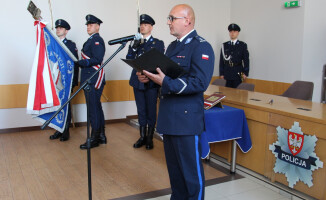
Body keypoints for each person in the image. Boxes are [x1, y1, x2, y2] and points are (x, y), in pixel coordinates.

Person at [142, 4, 214, 200]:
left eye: (172, 18)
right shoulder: (173, 46)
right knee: (176, 177)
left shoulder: (201, 46)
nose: (168, 22)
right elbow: (167, 77)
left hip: (186, 121)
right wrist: (150, 79)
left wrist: (165, 81)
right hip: (169, 119)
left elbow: (199, 83)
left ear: (187, 20)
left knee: (192, 177)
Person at [126, 14, 165, 150]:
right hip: (137, 80)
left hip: (152, 81)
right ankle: (142, 136)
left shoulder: (158, 43)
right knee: (141, 109)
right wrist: (135, 47)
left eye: (146, 24)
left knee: (150, 110)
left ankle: (149, 137)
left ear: (151, 27)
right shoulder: (135, 42)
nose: (143, 26)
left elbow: (158, 61)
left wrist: (147, 74)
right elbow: (129, 58)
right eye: (141, 24)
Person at [75, 14, 106, 149]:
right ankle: (101, 135)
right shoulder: (91, 40)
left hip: (93, 79)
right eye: (87, 25)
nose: (88, 27)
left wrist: (82, 62)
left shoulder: (97, 40)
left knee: (93, 109)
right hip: (90, 78)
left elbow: (97, 59)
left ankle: (94, 138)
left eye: (91, 25)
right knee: (96, 107)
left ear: (98, 26)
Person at [49, 19, 79, 141]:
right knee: (57, 105)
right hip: (55, 80)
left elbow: (75, 64)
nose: (58, 30)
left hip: (66, 81)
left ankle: (65, 130)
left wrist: (74, 81)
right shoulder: (53, 44)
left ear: (66, 31)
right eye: (57, 28)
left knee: (65, 104)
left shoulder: (71, 45)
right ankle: (58, 129)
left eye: (60, 28)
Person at [219, 24, 249, 88]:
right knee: (226, 93)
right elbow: (221, 61)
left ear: (238, 33)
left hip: (238, 73)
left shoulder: (242, 45)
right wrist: (221, 73)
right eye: (231, 31)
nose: (232, 33)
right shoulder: (224, 45)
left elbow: (246, 60)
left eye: (234, 31)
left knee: (237, 94)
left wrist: (245, 73)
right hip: (227, 73)